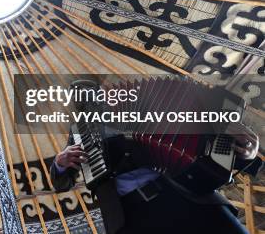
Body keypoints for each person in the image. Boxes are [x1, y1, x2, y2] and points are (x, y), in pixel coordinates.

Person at [50, 82, 262, 234]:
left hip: (187, 196)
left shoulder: (145, 106)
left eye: (89, 93)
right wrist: (60, 163)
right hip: (132, 217)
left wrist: (246, 153)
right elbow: (62, 183)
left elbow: (201, 141)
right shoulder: (79, 133)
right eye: (79, 99)